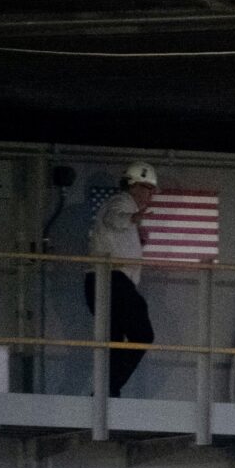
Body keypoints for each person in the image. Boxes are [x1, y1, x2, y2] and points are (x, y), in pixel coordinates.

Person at [86, 161, 160, 393]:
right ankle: (107, 390)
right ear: (133, 185)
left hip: (103, 282)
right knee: (142, 334)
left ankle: (107, 393)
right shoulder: (121, 202)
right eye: (147, 187)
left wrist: (136, 230)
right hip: (112, 280)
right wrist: (133, 220)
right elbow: (114, 218)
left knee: (115, 344)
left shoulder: (125, 208)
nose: (150, 194)